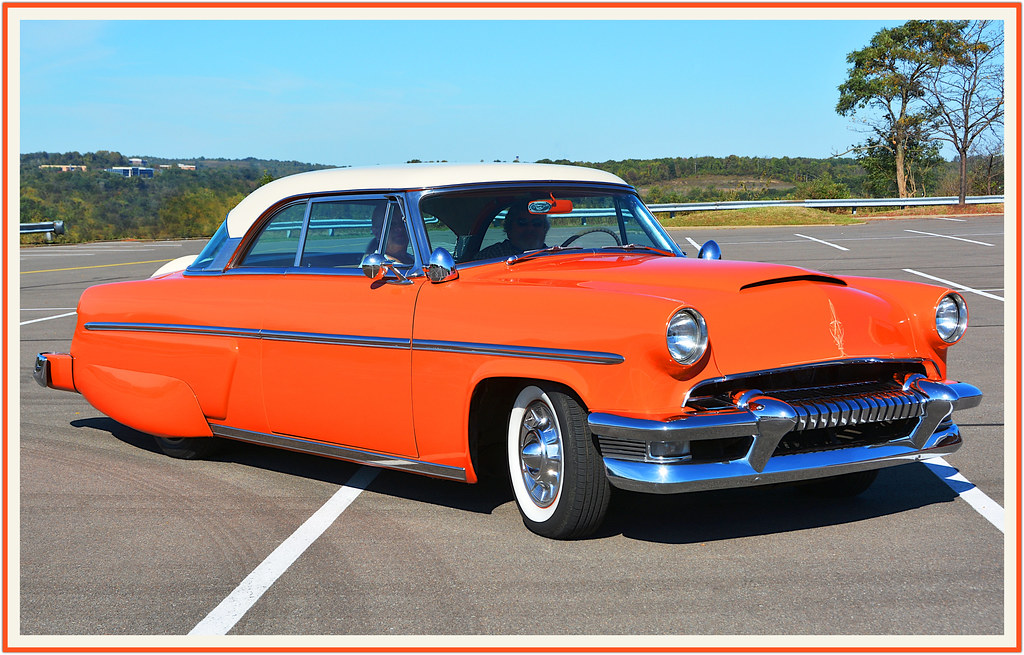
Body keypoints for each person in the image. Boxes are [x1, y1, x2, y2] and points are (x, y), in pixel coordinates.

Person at [476, 202, 550, 260]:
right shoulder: (491, 256)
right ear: (509, 228)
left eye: (537, 223)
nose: (530, 228)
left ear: (545, 229)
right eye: (522, 223)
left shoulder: (554, 255)